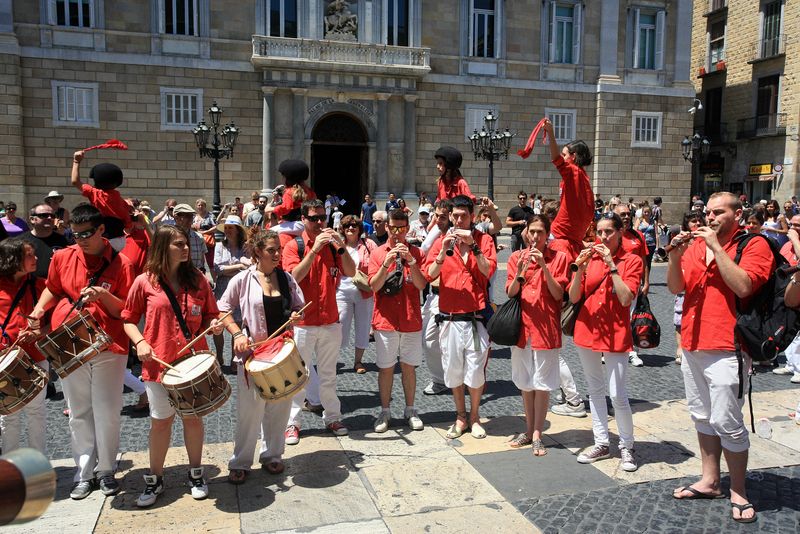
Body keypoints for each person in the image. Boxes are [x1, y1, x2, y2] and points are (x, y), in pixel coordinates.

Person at [667, 192, 774, 524]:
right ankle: (710, 479)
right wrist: (674, 256)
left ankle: (738, 489)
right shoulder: (696, 246)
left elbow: (744, 286)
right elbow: (675, 288)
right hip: (693, 343)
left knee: (728, 420)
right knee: (701, 415)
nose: (709, 217)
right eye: (707, 212)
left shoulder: (753, 245)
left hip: (728, 346)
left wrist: (715, 246)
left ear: (737, 214)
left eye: (718, 212)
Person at [28, 203, 135, 499]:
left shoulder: (123, 263)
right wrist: (38, 311)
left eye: (87, 233)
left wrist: (104, 295)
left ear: (101, 230)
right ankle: (84, 472)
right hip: (69, 341)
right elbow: (52, 288)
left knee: (108, 409)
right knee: (78, 410)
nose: (82, 239)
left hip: (109, 343)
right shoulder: (62, 256)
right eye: (76, 234)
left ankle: (107, 470)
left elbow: (126, 311)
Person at [122, 225, 223, 507]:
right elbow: (128, 319)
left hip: (193, 362)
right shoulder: (144, 281)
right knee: (161, 422)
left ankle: (195, 474)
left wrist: (212, 325)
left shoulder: (199, 279)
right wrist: (140, 342)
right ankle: (155, 478)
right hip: (158, 363)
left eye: (186, 243)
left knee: (193, 418)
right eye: (179, 244)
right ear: (163, 247)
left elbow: (210, 315)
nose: (186, 248)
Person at [218, 228, 304, 484]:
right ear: (257, 252)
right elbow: (222, 309)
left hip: (282, 353)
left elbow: (300, 306)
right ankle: (241, 461)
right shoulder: (243, 280)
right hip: (253, 355)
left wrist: (296, 316)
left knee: (280, 407)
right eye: (271, 250)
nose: (277, 254)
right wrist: (236, 334)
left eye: (278, 249)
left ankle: (273, 455)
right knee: (250, 411)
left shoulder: (286, 278)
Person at [569, 212, 643, 471]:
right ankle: (601, 441)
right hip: (587, 330)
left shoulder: (632, 261)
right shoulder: (591, 259)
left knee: (618, 394)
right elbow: (574, 296)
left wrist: (612, 265)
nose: (603, 237)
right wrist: (578, 268)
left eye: (608, 232)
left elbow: (625, 298)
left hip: (616, 334)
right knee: (595, 391)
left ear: (620, 232)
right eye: (599, 232)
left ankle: (627, 445)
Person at [283, 199, 356, 442]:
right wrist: (314, 250)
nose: (318, 222)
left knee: (328, 374)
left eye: (322, 218)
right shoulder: (295, 245)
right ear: (303, 219)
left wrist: (340, 246)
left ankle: (333, 417)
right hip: (303, 322)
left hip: (329, 320)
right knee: (299, 375)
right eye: (313, 218)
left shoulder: (333, 246)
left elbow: (351, 271)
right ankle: (292, 423)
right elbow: (293, 276)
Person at [425, 195, 496, 439]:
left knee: (475, 371)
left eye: (463, 215)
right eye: (454, 215)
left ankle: (475, 416)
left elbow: (488, 271)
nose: (457, 219)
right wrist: (442, 253)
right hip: (450, 318)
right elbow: (429, 274)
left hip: (476, 319)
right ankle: (460, 415)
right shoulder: (442, 242)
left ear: (472, 216)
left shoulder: (484, 240)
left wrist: (474, 247)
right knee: (453, 370)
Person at [505, 215, 569, 456]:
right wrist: (521, 270)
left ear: (547, 233)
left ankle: (538, 434)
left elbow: (558, 294)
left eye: (540, 232)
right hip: (522, 330)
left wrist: (543, 266)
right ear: (526, 233)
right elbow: (511, 292)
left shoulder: (559, 258)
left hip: (546, 330)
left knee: (542, 384)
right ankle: (529, 429)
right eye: (532, 231)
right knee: (525, 383)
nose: (535, 236)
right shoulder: (515, 258)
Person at [367, 208, 427, 432]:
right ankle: (385, 411)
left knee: (409, 367)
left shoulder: (417, 253)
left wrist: (411, 261)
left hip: (410, 319)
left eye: (401, 228)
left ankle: (410, 409)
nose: (396, 233)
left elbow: (421, 285)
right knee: (386, 368)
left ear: (407, 228)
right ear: (387, 227)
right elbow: (374, 286)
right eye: (392, 228)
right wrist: (385, 264)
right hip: (386, 320)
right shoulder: (378, 253)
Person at [0, 239, 48, 454]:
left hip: (35, 357)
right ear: (13, 259)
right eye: (29, 255)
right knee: (8, 415)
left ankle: (39, 464)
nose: (35, 258)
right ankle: (11, 466)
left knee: (36, 411)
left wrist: (39, 332)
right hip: (4, 358)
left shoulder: (41, 285)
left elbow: (55, 320)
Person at [540, 120, 594, 262]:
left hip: (561, 234)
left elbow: (556, 159)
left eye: (565, 155)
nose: (563, 158)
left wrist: (550, 132)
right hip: (574, 237)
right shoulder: (584, 177)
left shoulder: (572, 171)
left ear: (573, 156)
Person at [420, 199, 453, 396]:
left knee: (448, 342)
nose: (437, 220)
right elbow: (428, 267)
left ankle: (450, 379)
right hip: (434, 296)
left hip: (452, 297)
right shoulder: (438, 238)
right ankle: (440, 379)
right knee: (429, 340)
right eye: (436, 216)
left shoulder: (458, 237)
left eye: (442, 217)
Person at [71, 150, 132, 251]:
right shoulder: (121, 200)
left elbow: (75, 181)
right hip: (120, 241)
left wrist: (76, 161)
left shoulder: (95, 193)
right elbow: (127, 223)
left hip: (102, 239)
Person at [337, 215, 375, 374]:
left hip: (364, 291)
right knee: (339, 325)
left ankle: (358, 361)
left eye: (354, 226)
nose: (351, 228)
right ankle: (333, 358)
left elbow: (376, 263)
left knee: (363, 326)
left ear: (360, 229)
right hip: (341, 290)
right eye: (347, 226)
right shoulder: (337, 245)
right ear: (343, 229)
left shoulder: (368, 244)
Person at [614, 203, 649, 367]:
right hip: (612, 282)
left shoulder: (638, 235)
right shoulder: (610, 234)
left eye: (629, 214)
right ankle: (609, 347)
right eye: (623, 214)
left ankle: (633, 351)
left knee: (632, 317)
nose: (627, 217)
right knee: (612, 316)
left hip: (632, 283)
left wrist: (646, 281)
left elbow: (644, 260)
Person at [213, 215, 250, 370]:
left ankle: (236, 357)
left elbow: (249, 267)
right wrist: (238, 266)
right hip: (222, 289)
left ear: (237, 230)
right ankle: (220, 354)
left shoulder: (245, 247)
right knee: (219, 323)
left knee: (238, 324)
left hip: (241, 289)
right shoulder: (220, 246)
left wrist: (229, 268)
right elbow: (217, 269)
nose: (227, 231)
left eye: (230, 228)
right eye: (226, 228)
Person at [673, 212, 706, 366]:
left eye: (699, 221)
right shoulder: (683, 238)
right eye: (693, 222)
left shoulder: (707, 239)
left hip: (698, 284)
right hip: (682, 281)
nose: (697, 224)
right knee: (679, 318)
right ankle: (680, 348)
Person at [266, 159, 317, 238]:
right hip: (308, 224)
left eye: (283, 176)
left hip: (295, 225)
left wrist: (270, 209)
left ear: (288, 177)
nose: (282, 178)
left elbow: (286, 208)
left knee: (267, 235)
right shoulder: (310, 191)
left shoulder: (290, 191)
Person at [19, 203, 69, 278]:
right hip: (28, 286)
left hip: (54, 287)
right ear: (32, 219)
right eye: (44, 215)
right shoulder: (20, 242)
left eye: (52, 216)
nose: (49, 218)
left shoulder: (63, 240)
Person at [173, 204, 209, 274]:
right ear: (176, 217)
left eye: (191, 216)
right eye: (187, 216)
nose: (190, 219)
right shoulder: (168, 237)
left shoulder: (199, 237)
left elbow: (202, 260)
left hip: (195, 278)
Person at [193, 199, 217, 275]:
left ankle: (215, 283)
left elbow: (216, 227)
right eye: (199, 205)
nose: (200, 207)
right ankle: (203, 282)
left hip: (208, 242)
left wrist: (204, 232)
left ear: (205, 206)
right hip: (196, 241)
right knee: (199, 264)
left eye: (202, 205)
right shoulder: (194, 217)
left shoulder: (210, 215)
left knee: (211, 263)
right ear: (196, 206)